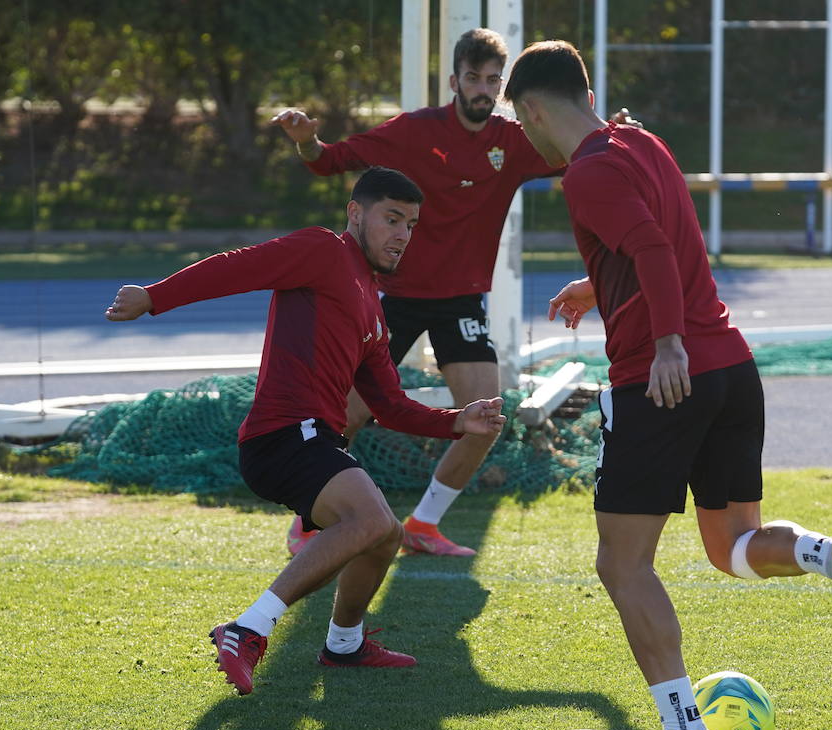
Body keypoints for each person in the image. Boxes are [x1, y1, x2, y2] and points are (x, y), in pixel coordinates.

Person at [503, 41, 832, 730]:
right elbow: (665, 237)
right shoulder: (640, 140)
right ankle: (829, 556)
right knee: (732, 548)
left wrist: (665, 344)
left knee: (622, 564)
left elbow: (651, 244)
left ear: (530, 110)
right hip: (732, 370)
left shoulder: (586, 171)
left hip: (666, 382)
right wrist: (602, 285)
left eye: (521, 123)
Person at [105, 167, 507, 695]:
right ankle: (247, 629)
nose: (402, 235)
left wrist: (455, 421)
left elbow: (388, 404)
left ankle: (345, 644)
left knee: (384, 534)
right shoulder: (323, 252)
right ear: (355, 214)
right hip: (284, 435)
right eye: (391, 219)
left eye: (410, 224)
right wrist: (155, 297)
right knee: (369, 519)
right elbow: (237, 268)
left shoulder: (374, 307)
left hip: (313, 442)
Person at [272, 28, 637, 558]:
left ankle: (424, 524)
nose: (483, 89)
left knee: (486, 417)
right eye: (473, 77)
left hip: (462, 302)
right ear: (454, 81)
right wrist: (306, 139)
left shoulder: (513, 142)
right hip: (393, 298)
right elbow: (328, 160)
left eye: (494, 79)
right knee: (346, 415)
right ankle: (307, 522)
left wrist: (616, 132)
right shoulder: (413, 132)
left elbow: (581, 147)